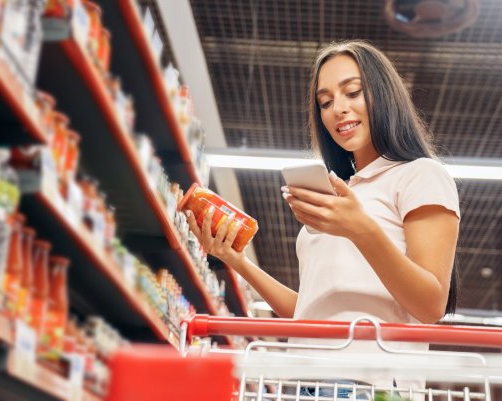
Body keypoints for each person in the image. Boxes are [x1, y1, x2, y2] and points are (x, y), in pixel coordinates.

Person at [184, 40, 460, 400]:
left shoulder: (420, 175)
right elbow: (308, 311)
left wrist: (360, 229)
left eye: (353, 93)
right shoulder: (343, 193)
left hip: (368, 381)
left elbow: (430, 305)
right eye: (326, 102)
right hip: (301, 379)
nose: (338, 110)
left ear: (384, 94)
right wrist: (237, 261)